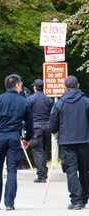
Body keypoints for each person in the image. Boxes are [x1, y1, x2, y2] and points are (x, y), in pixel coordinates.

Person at [0, 74, 33, 210]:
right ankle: (9, 203)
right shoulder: (24, 102)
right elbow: (29, 124)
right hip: (14, 137)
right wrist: (27, 139)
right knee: (12, 170)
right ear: (17, 85)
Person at [48, 75, 89, 210]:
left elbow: (52, 126)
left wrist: (56, 133)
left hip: (67, 142)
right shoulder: (86, 102)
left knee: (71, 171)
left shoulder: (59, 104)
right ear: (77, 85)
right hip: (84, 140)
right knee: (84, 170)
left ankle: (76, 200)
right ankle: (83, 198)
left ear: (65, 87)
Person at [27, 79, 53, 183]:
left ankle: (41, 175)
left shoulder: (30, 99)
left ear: (34, 87)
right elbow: (53, 114)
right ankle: (44, 171)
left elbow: (26, 114)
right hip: (47, 126)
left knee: (37, 150)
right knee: (43, 149)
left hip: (36, 127)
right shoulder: (49, 100)